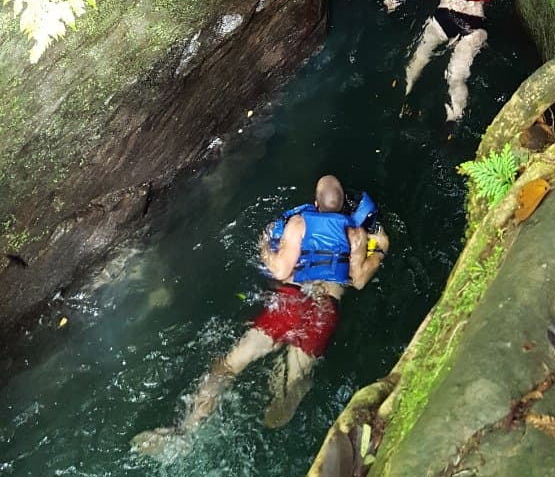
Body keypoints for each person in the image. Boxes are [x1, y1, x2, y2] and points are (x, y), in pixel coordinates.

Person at [131, 175, 388, 456]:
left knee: (227, 367)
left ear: (315, 204)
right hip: (324, 312)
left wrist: (265, 246)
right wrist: (382, 249)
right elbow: (359, 279)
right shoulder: (356, 234)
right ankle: (270, 427)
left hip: (291, 303)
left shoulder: (299, 223)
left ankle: (186, 432)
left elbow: (279, 272)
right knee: (291, 386)